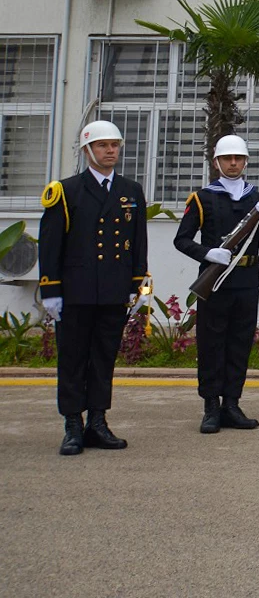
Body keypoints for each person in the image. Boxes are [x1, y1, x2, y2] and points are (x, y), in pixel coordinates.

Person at [38, 120, 148, 456]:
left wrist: (135, 284)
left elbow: (137, 242)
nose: (110, 151)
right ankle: (73, 424)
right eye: (102, 146)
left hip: (113, 290)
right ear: (88, 151)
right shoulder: (67, 191)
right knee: (72, 358)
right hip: (75, 290)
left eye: (114, 145)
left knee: (103, 357)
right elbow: (50, 244)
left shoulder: (130, 190)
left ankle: (97, 422)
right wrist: (51, 290)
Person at [174, 134, 259, 434]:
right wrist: (207, 252)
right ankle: (210, 406)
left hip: (247, 281)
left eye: (239, 158)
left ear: (245, 162)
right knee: (211, 343)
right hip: (215, 280)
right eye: (228, 158)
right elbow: (181, 239)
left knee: (240, 343)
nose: (234, 163)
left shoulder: (256, 198)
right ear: (216, 162)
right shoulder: (203, 198)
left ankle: (232, 403)